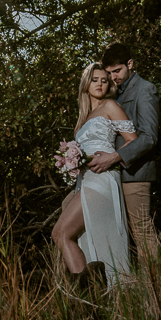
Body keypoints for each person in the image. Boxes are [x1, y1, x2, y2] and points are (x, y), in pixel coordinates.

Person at [52, 63, 139, 291]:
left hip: (102, 178)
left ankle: (90, 291)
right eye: (95, 80)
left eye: (104, 80)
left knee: (61, 233)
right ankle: (95, 290)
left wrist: (111, 157)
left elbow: (133, 140)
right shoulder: (83, 119)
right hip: (85, 180)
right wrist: (70, 163)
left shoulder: (110, 106)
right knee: (78, 237)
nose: (100, 84)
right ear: (86, 84)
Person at [88, 43, 161, 260]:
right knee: (124, 231)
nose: (113, 77)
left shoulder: (145, 89)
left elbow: (149, 137)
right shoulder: (114, 92)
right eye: (109, 73)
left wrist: (115, 157)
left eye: (117, 71)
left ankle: (157, 279)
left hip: (136, 173)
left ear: (130, 64)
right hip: (115, 174)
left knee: (142, 229)